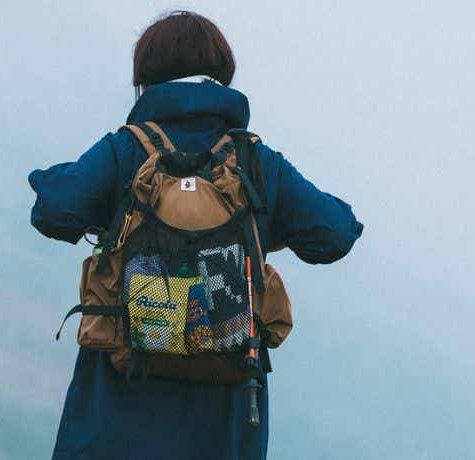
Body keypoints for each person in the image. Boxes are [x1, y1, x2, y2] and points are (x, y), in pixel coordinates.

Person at [28, 10, 363, 460]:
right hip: (222, 431)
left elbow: (53, 211)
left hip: (111, 425)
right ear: (222, 80)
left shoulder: (126, 150)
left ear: (144, 81)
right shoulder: (257, 163)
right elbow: (335, 234)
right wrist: (268, 225)